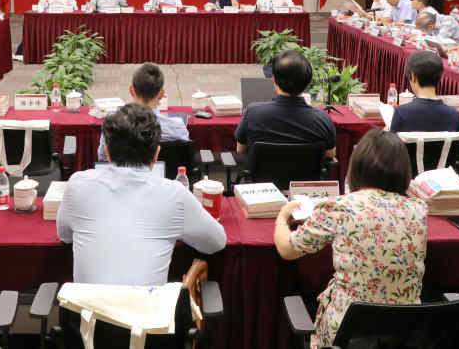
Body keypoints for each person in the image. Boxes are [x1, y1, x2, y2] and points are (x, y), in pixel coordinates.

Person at [274, 129, 428, 349]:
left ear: (357, 167)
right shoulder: (419, 209)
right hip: (405, 333)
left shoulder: (340, 207)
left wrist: (282, 218)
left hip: (346, 334)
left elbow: (288, 250)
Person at [59, 103, 225, 285]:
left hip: (86, 304)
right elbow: (216, 242)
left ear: (107, 153)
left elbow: (64, 235)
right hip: (149, 304)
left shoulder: (77, 184)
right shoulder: (175, 195)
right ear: (156, 154)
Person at [235, 50, 336, 157]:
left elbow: (240, 150)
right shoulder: (323, 120)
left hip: (264, 168)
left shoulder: (252, 113)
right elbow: (330, 155)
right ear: (308, 82)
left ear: (274, 80)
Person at [96, 62, 189, 160]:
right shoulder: (177, 127)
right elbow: (183, 157)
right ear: (161, 94)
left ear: (132, 90)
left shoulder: (112, 124)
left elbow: (102, 158)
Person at [391, 51, 459, 132]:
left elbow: (393, 139)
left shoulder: (401, 112)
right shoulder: (454, 115)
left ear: (413, 77)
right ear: (441, 77)